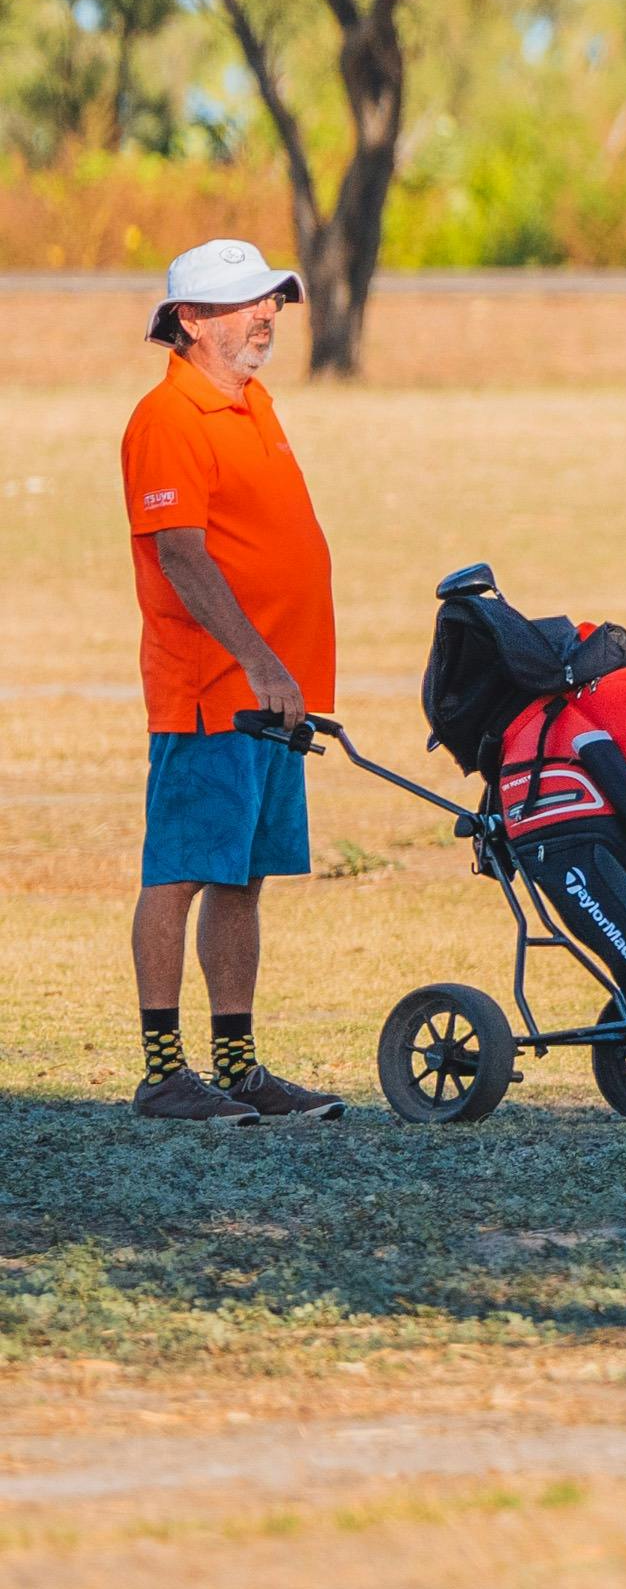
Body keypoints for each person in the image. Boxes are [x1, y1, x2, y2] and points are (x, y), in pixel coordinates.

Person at [120, 238, 340, 1122]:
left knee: (243, 878)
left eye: (274, 301)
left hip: (273, 696)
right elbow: (180, 554)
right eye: (247, 303)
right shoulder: (166, 420)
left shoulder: (251, 402)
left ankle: (239, 1066)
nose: (267, 316)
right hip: (213, 690)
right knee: (181, 871)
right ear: (191, 320)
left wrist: (279, 671)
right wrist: (255, 658)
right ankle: (164, 1072)